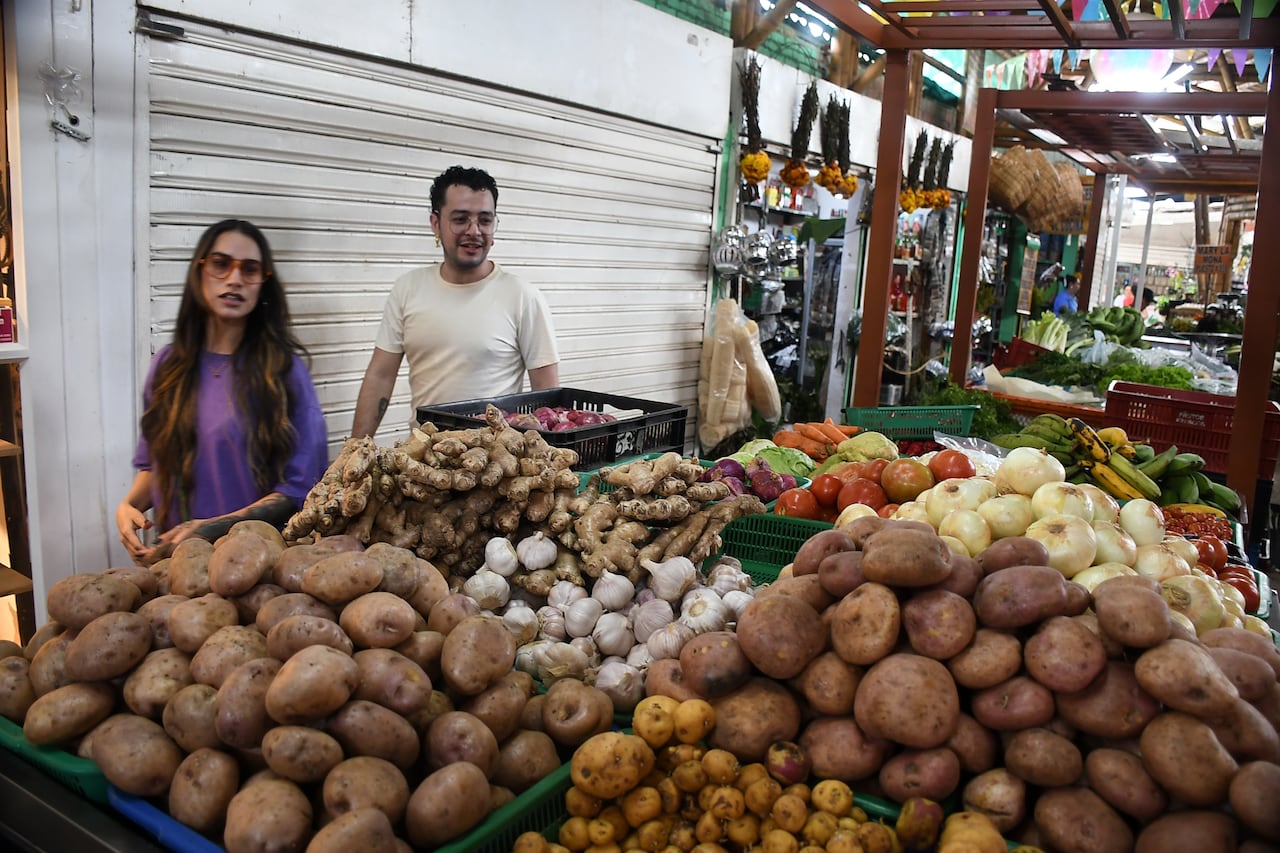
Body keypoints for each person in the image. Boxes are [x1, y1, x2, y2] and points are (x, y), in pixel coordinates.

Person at [116, 220, 330, 565]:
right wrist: (129, 506)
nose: (234, 279)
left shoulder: (285, 371)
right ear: (199, 272)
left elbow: (300, 489)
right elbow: (156, 464)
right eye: (220, 264)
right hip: (177, 562)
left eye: (249, 269)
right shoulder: (169, 366)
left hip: (256, 567)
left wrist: (212, 528)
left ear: (263, 284)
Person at [352, 165, 560, 437]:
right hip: (424, 458)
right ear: (435, 223)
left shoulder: (522, 297)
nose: (474, 231)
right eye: (460, 219)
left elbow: (549, 402)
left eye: (485, 220)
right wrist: (354, 448)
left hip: (496, 462)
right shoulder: (408, 289)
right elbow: (380, 376)